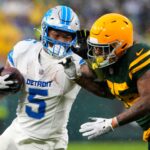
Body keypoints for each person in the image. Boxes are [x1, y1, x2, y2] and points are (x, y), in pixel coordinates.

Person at [0, 5, 84, 150]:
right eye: (56, 35)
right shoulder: (23, 49)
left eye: (66, 37)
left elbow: (101, 89)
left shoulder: (76, 62)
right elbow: (5, 84)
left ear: (74, 38)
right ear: (45, 30)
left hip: (46, 142)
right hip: (17, 131)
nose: (60, 41)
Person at [63, 13, 150, 149]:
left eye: (103, 48)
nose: (97, 52)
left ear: (121, 45)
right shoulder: (112, 64)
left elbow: (148, 99)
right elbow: (107, 92)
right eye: (95, 47)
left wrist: (113, 122)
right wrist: (77, 76)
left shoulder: (138, 54)